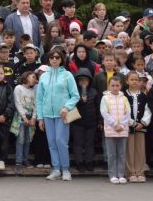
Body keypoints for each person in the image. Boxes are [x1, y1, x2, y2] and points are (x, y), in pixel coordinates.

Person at [36, 45, 79, 181]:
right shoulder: (43, 76)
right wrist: (40, 117)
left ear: (61, 59)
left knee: (61, 141)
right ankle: (56, 169)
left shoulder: (67, 75)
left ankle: (65, 169)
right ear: (48, 59)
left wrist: (67, 107)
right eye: (52, 57)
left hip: (63, 114)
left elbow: (75, 95)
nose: (54, 59)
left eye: (57, 57)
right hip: (47, 114)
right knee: (52, 142)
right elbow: (39, 98)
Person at [100, 75, 131, 184]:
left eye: (117, 85)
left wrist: (121, 125)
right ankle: (112, 174)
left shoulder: (124, 98)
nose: (115, 88)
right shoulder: (105, 98)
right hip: (110, 130)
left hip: (122, 130)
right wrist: (114, 125)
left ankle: (121, 174)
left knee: (121, 153)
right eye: (112, 85)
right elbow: (104, 112)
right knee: (112, 154)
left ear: (121, 86)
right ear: (109, 86)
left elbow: (128, 112)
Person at [124, 71, 151, 183]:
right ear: (127, 81)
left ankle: (140, 172)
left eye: (137, 80)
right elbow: (122, 111)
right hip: (128, 127)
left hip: (141, 127)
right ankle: (131, 172)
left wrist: (143, 123)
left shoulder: (144, 96)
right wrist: (132, 123)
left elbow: (148, 110)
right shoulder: (123, 95)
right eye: (132, 79)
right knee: (129, 150)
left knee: (140, 150)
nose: (134, 82)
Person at [70, 67, 98, 172]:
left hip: (91, 122)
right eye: (81, 80)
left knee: (89, 143)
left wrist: (99, 121)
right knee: (78, 143)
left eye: (85, 80)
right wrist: (81, 101)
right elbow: (70, 106)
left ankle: (89, 162)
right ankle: (79, 162)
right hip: (77, 122)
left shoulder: (94, 92)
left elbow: (97, 106)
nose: (83, 82)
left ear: (90, 80)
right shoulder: (74, 92)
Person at [13, 71, 37, 170]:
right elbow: (17, 103)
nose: (35, 80)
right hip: (21, 118)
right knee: (21, 139)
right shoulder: (18, 88)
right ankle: (18, 161)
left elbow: (36, 105)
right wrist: (24, 117)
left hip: (30, 118)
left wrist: (33, 118)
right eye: (33, 77)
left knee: (28, 140)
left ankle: (25, 159)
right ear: (26, 77)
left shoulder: (33, 91)